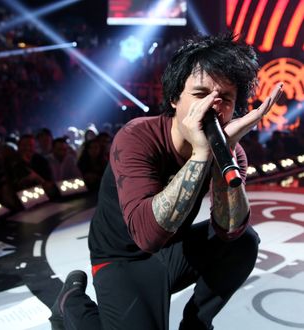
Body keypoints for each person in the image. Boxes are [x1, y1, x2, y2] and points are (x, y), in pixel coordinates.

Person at [49, 33, 283, 330]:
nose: (212, 106)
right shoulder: (136, 137)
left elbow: (230, 231)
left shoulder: (232, 151)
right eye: (200, 95)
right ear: (175, 98)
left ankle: (197, 324)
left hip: (171, 250)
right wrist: (201, 154)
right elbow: (147, 235)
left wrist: (223, 155)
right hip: (120, 257)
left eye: (224, 98)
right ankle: (70, 302)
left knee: (245, 242)